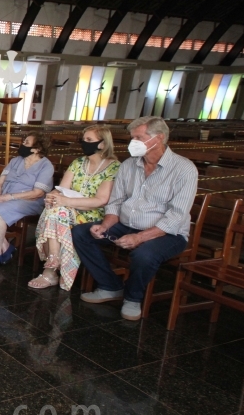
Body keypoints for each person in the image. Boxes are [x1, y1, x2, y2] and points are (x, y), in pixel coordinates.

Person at [72, 116, 197, 321]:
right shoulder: (129, 165)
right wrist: (105, 225)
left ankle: (132, 298)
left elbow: (176, 215)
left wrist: (140, 238)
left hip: (166, 233)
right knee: (82, 233)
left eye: (138, 137)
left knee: (144, 255)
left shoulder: (183, 169)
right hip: (127, 224)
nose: (133, 143)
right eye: (132, 138)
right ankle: (110, 286)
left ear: (159, 138)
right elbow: (116, 201)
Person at [30, 125, 120, 290]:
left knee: (57, 211)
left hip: (94, 213)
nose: (84, 143)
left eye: (89, 140)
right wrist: (53, 195)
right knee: (55, 209)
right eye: (83, 139)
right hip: (68, 208)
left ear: (102, 144)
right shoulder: (78, 162)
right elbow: (62, 188)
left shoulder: (113, 167)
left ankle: (51, 269)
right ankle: (54, 260)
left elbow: (101, 200)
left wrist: (65, 201)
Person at [0, 134, 54, 265]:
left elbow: (37, 193)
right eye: (23, 141)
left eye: (26, 142)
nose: (22, 144)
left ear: (37, 149)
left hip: (29, 200)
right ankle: (6, 246)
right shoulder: (15, 160)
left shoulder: (46, 166)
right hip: (6, 197)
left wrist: (9, 197)